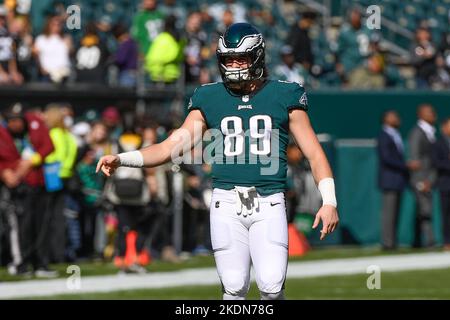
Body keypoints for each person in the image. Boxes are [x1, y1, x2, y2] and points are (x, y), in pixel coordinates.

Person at [96, 23, 339, 300]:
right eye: (228, 59)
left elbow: (315, 153)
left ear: (257, 57)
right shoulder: (209, 97)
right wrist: (122, 158)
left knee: (271, 286)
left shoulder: (285, 95)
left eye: (241, 58)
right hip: (226, 202)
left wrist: (329, 201)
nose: (234, 65)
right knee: (234, 287)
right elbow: (168, 148)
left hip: (269, 200)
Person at [0, 103, 55, 277]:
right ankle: (20, 263)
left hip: (37, 182)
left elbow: (48, 146)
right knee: (20, 226)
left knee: (40, 224)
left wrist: (33, 160)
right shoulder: (3, 133)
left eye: (19, 120)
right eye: (12, 121)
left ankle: (40, 264)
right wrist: (4, 172)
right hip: (15, 185)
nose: (17, 124)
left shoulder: (34, 125)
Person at [377, 110, 409, 250]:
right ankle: (387, 243)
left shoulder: (396, 134)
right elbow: (386, 157)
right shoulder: (383, 135)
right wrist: (405, 165)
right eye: (394, 116)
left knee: (395, 213)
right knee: (389, 213)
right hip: (389, 179)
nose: (397, 118)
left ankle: (392, 241)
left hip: (398, 179)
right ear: (386, 119)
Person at [408, 104, 437, 248]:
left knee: (424, 209)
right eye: (429, 112)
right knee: (425, 209)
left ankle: (418, 241)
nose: (433, 114)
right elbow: (414, 160)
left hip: (429, 177)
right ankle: (429, 241)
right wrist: (420, 181)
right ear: (420, 114)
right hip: (421, 178)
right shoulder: (417, 132)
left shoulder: (430, 132)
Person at [33, 15, 73, 83]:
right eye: (54, 24)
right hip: (47, 75)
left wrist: (69, 45)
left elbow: (70, 53)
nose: (56, 27)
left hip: (64, 74)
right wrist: (41, 68)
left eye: (59, 24)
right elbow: (35, 55)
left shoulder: (65, 39)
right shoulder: (41, 39)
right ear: (49, 25)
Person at [432, 117, 450, 250]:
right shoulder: (438, 143)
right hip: (445, 183)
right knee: (446, 215)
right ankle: (447, 242)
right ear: (443, 127)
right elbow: (437, 163)